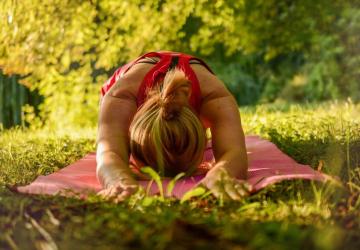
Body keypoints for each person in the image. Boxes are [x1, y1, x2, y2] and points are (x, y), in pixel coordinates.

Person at [96, 51, 249, 202]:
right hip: (126, 90)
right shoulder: (120, 96)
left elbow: (235, 152)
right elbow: (108, 153)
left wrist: (221, 173)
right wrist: (117, 179)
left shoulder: (214, 97)